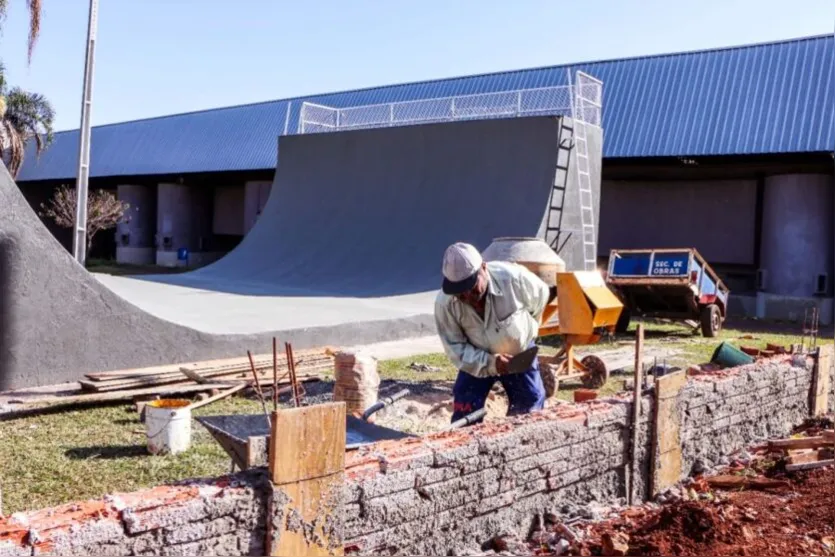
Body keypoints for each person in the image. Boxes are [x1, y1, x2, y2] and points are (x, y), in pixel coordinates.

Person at [434, 242, 550, 425]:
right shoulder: (445, 304)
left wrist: (528, 330)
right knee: (465, 416)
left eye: (471, 289)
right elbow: (455, 348)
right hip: (476, 359)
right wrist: (491, 362)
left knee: (530, 410)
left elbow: (541, 297)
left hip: (518, 356)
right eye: (460, 295)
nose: (467, 298)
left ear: (484, 268)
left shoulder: (515, 280)